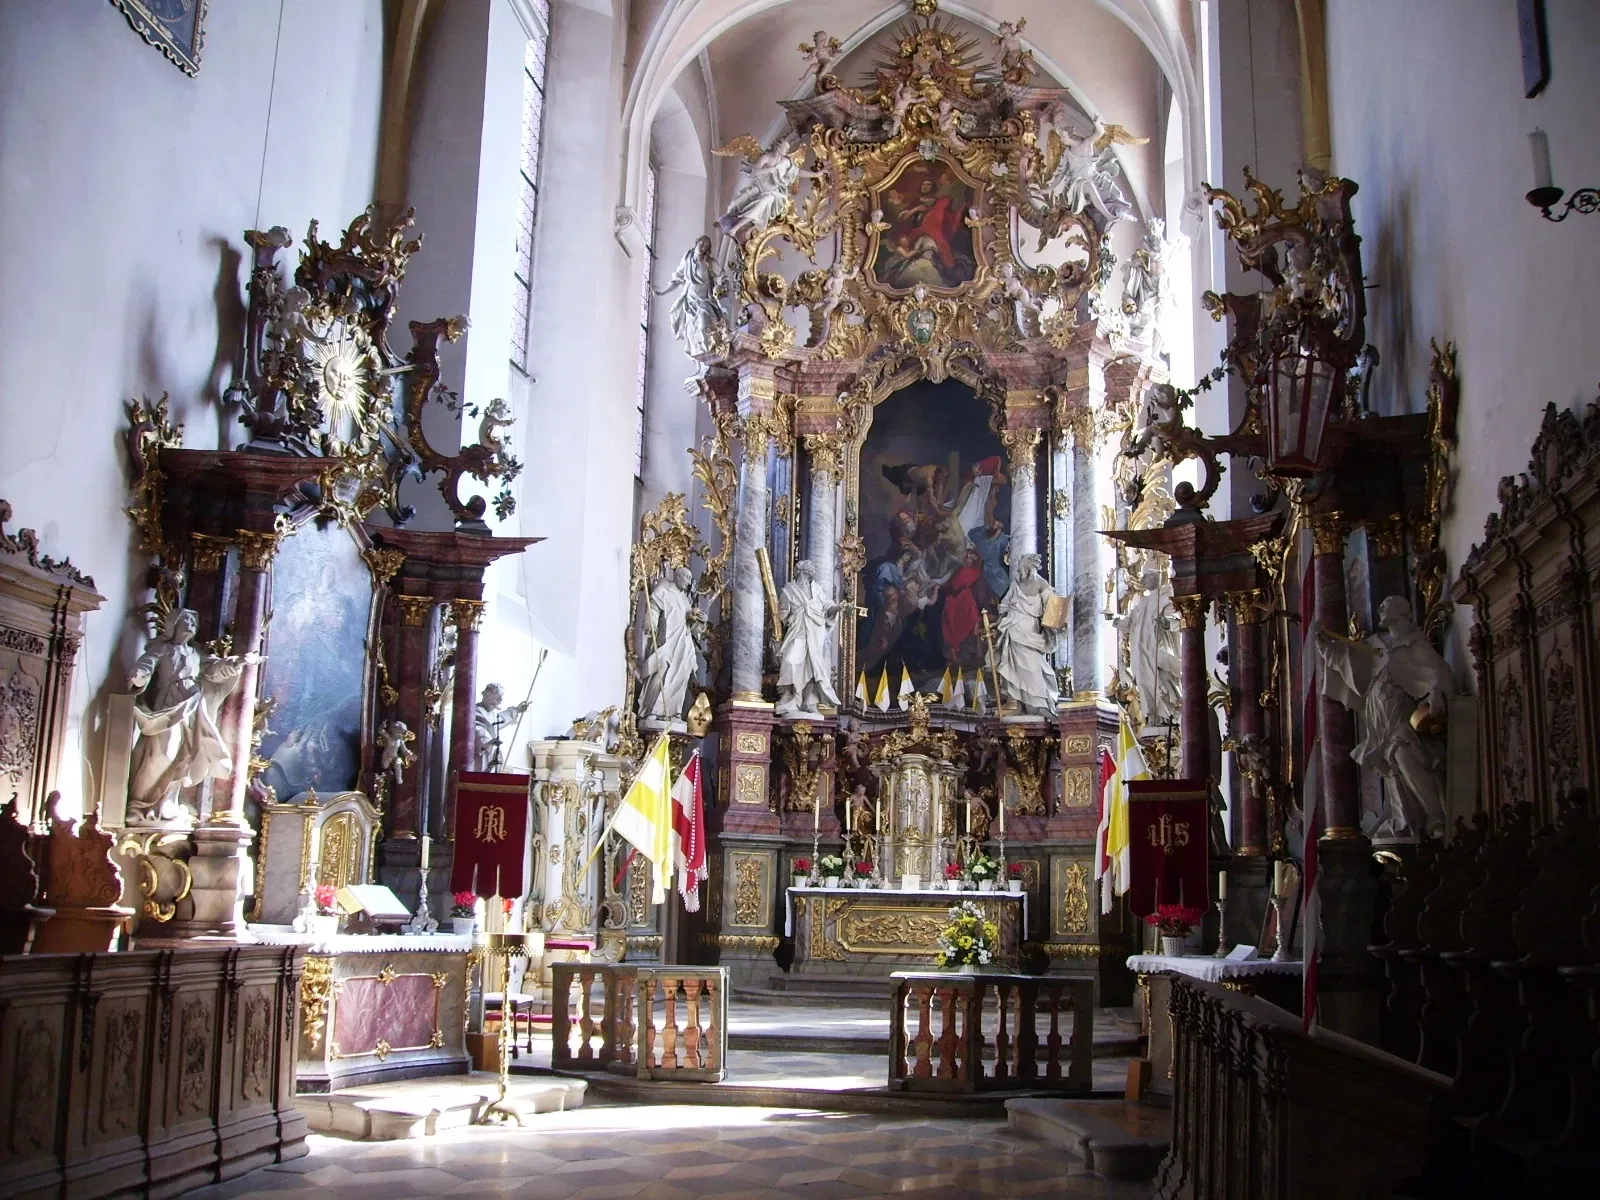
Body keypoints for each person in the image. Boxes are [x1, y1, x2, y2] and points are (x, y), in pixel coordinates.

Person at [1318, 595, 1454, 838]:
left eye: (1387, 603)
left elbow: (1435, 670)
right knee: (1391, 769)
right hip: (1377, 714)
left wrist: (1435, 692)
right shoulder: (1375, 644)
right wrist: (1325, 646)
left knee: (1404, 754)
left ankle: (1436, 817)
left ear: (1404, 611)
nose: (1380, 606)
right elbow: (1349, 662)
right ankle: (1406, 819)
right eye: (1381, 604)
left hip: (1401, 710)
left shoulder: (1412, 643)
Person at [128, 608, 255, 824]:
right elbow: (146, 665)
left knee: (184, 757)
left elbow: (214, 670)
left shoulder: (196, 654)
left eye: (193, 620)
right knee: (161, 754)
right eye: (185, 619)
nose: (191, 623)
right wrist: (139, 677)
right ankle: (138, 804)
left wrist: (238, 662)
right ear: (173, 625)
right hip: (168, 707)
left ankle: (167, 803)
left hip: (192, 707)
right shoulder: (163, 649)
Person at [994, 554, 1061, 715]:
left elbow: (1052, 605)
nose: (1020, 570)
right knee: (1014, 667)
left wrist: (1058, 621)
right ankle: (1019, 704)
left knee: (1033, 667)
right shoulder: (1015, 584)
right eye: (1019, 567)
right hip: (1013, 629)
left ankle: (1040, 705)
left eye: (1023, 567)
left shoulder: (1040, 583)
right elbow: (1004, 605)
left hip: (1031, 631)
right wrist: (997, 622)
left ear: (1030, 567)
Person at [775, 560, 843, 717]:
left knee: (813, 666)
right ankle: (790, 697)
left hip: (815, 631)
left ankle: (808, 701)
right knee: (791, 662)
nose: (811, 574)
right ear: (801, 571)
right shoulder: (788, 591)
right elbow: (781, 614)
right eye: (808, 571)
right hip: (797, 631)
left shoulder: (817, 590)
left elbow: (828, 607)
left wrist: (838, 607)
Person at [639, 565, 702, 722]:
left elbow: (692, 630)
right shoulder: (663, 591)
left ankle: (673, 713)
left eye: (689, 579)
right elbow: (653, 608)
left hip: (683, 645)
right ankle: (651, 710)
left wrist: (699, 621)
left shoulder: (685, 600)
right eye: (686, 578)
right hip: (667, 640)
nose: (688, 582)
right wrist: (650, 622)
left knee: (680, 677)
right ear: (678, 577)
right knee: (661, 670)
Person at [655, 236, 724, 357]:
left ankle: (708, 363)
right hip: (689, 301)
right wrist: (662, 292)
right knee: (691, 334)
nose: (702, 247)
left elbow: (722, 277)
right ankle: (699, 368)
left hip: (705, 300)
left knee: (704, 327)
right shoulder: (687, 259)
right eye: (701, 243)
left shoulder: (709, 262)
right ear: (696, 242)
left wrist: (721, 287)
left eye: (706, 246)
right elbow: (677, 279)